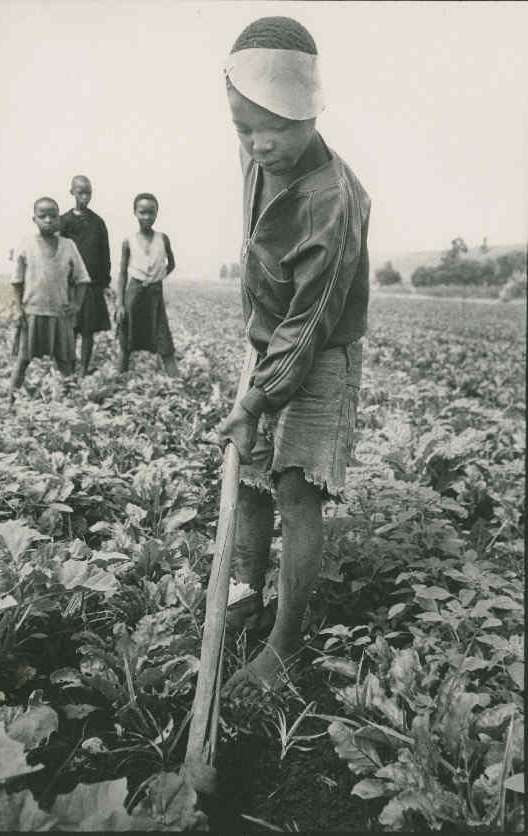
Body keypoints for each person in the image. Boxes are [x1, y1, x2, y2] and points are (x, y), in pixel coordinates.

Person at [218, 16, 371, 698]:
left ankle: (286, 641)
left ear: (309, 110)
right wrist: (253, 384)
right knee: (249, 480)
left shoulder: (334, 201)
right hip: (267, 344)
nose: (259, 142)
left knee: (295, 491)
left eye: (273, 125)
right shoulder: (258, 154)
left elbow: (309, 328)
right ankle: (248, 593)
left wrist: (256, 399)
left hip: (319, 353)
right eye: (244, 125)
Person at [9, 197, 91, 399]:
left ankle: (73, 402)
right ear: (34, 219)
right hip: (33, 312)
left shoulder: (68, 245)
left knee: (65, 361)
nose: (48, 220)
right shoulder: (27, 244)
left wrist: (77, 304)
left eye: (53, 216)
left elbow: (82, 279)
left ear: (59, 219)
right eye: (42, 216)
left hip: (60, 312)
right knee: (23, 360)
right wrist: (18, 308)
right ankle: (9, 400)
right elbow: (17, 281)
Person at [116, 193, 178, 377]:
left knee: (163, 339)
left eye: (151, 212)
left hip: (154, 294)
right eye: (142, 212)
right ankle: (120, 380)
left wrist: (158, 277)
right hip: (133, 293)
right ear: (135, 213)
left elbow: (171, 264)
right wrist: (119, 304)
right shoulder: (129, 240)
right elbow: (122, 273)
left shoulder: (162, 238)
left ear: (157, 213)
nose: (147, 217)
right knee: (126, 341)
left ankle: (176, 381)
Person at [59, 175, 111, 375]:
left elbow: (105, 253)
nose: (85, 196)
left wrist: (105, 282)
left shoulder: (98, 222)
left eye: (88, 192)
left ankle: (83, 369)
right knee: (70, 329)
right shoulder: (63, 221)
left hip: (91, 285)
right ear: (72, 192)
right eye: (80, 192)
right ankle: (69, 369)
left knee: (88, 329)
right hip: (69, 285)